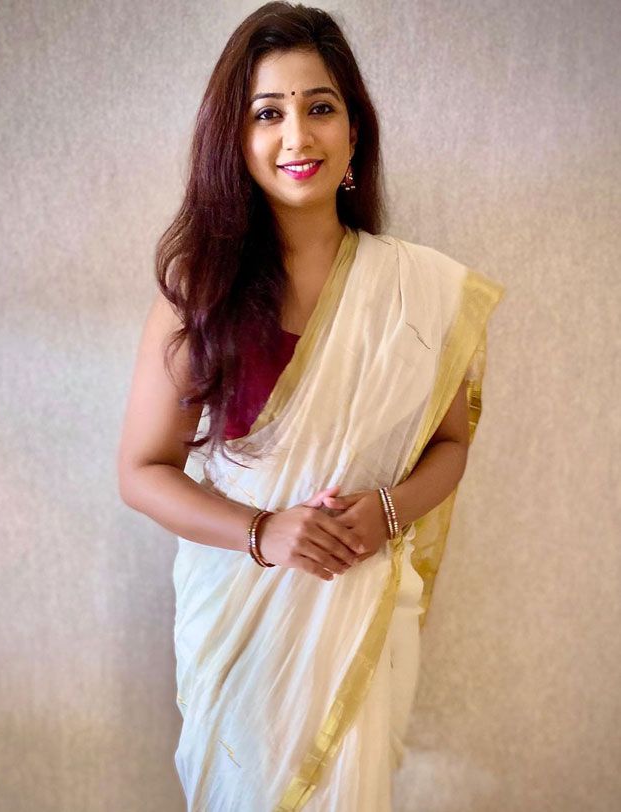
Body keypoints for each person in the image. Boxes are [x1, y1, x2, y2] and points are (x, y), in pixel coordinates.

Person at [117, 2, 505, 809]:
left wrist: (388, 512)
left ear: (354, 131)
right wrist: (264, 533)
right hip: (242, 628)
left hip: (358, 607)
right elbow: (142, 471)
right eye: (268, 113)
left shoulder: (419, 288)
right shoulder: (202, 291)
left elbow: (452, 446)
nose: (297, 136)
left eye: (319, 108)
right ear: (236, 139)